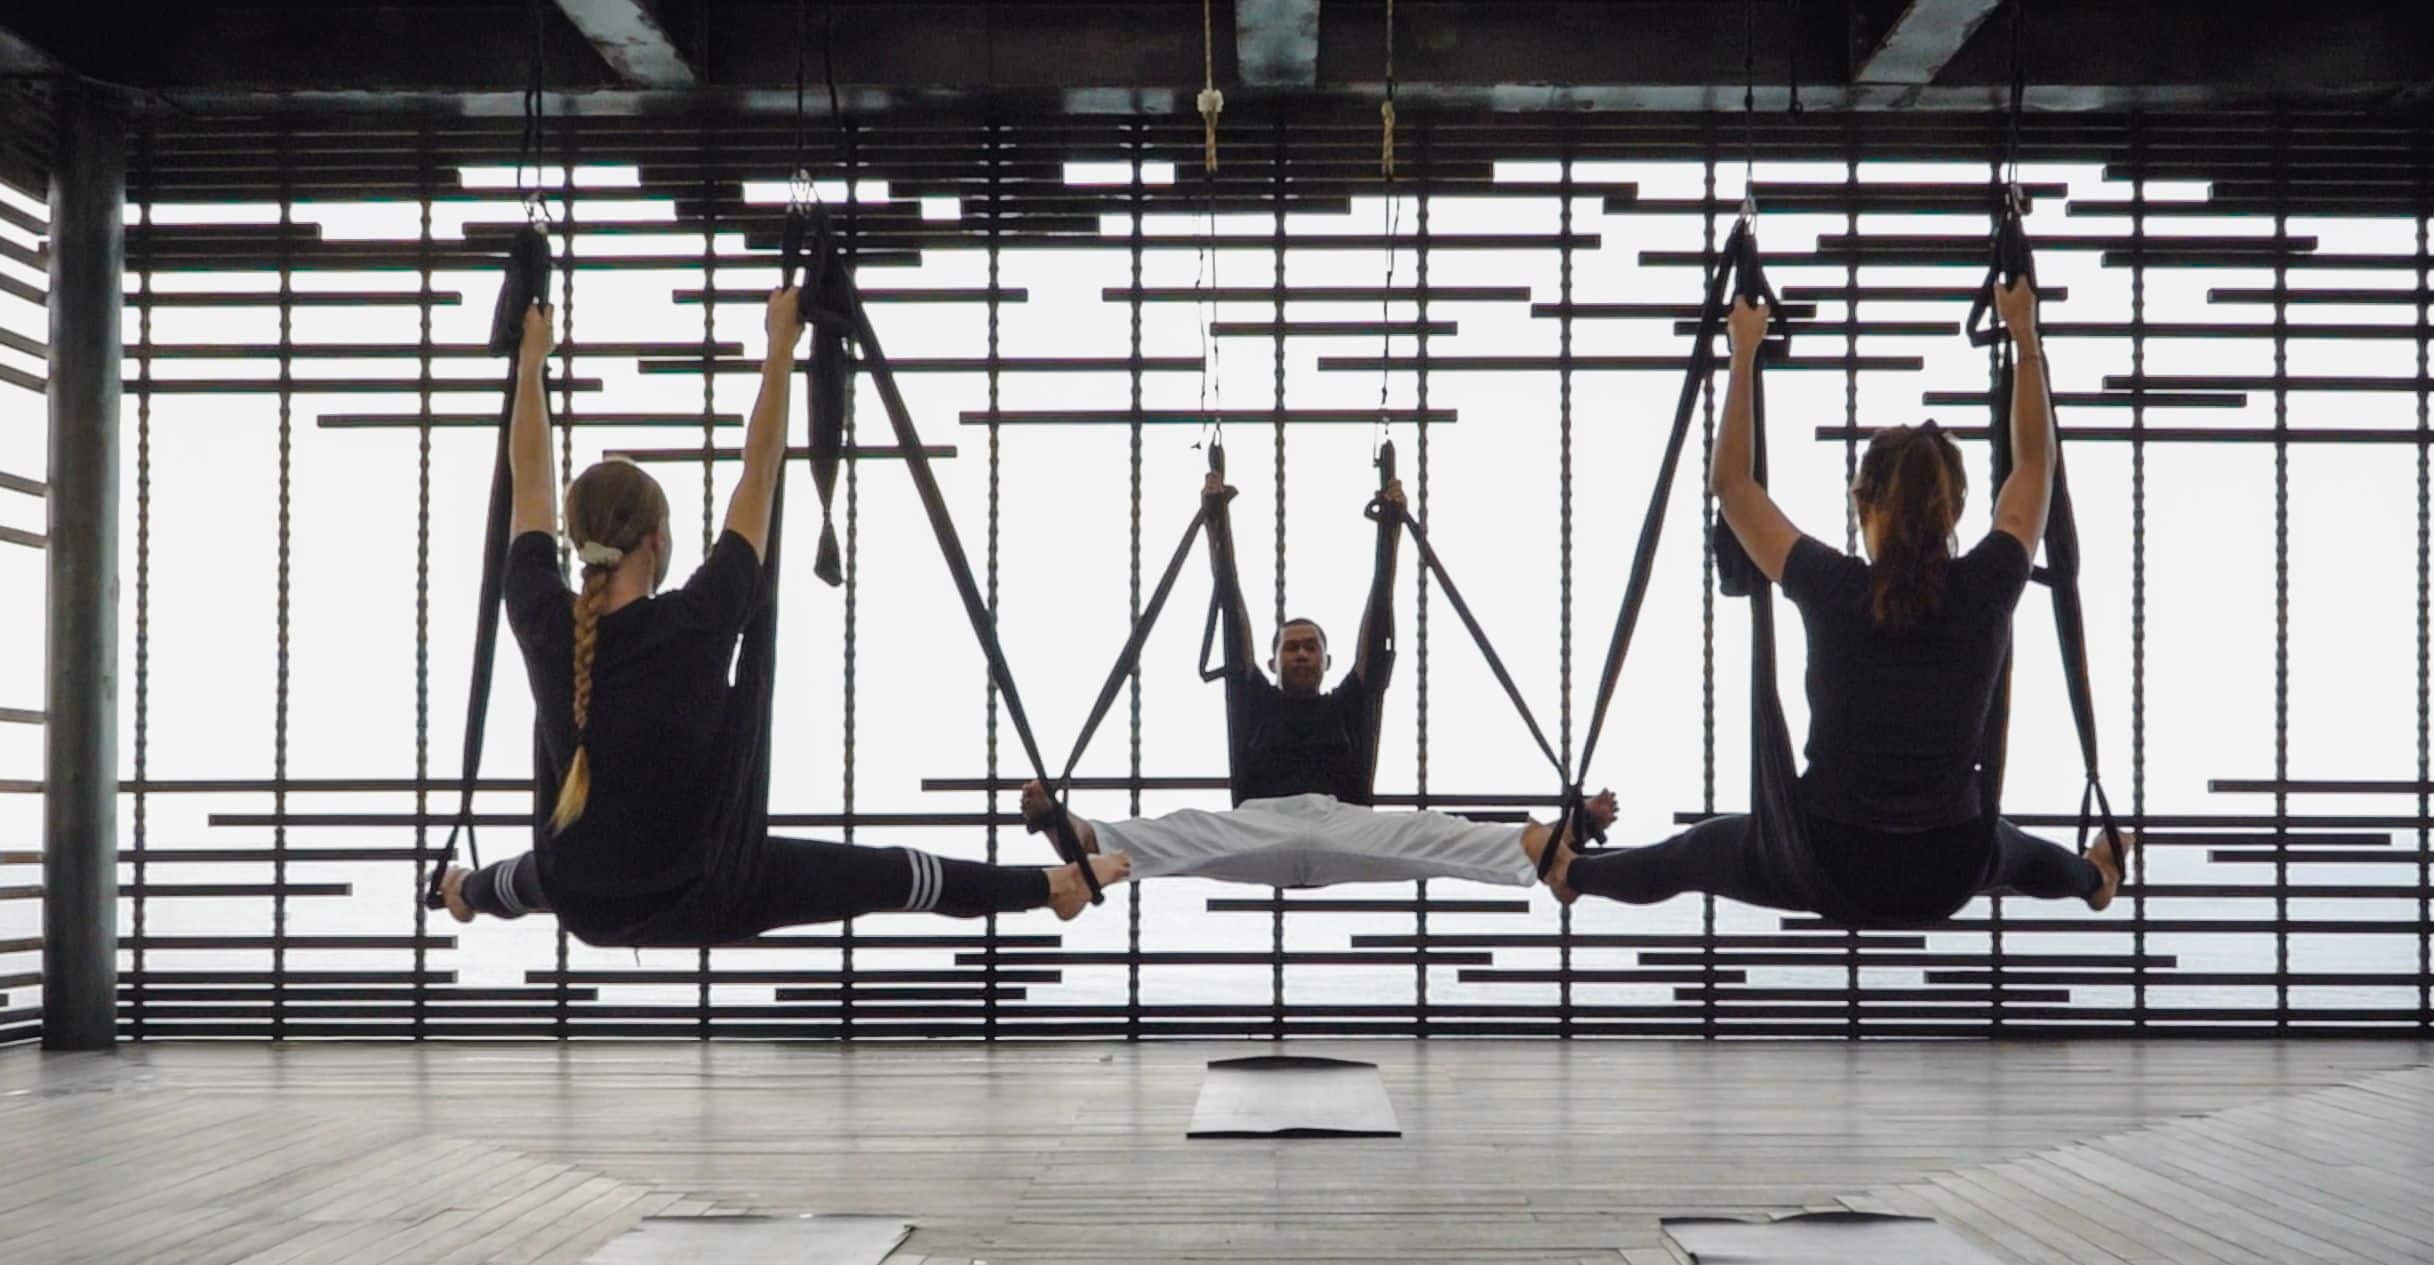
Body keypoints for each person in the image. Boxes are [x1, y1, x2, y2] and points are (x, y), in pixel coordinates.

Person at [439, 287, 1129, 936]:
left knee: (526, 880)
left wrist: (530, 365)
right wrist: (779, 346)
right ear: (657, 539)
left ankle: (462, 893)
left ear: (575, 537)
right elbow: (759, 473)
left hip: (581, 898)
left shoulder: (541, 617)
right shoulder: (700, 620)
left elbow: (527, 477)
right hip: (709, 889)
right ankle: (1052, 886)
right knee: (886, 875)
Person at [1554, 276, 2132, 921]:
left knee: (1699, 850)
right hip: (1948, 865)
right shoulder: (1990, 581)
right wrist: (2024, 333)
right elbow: (2034, 469)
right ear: (1959, 506)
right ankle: (2096, 880)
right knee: (2017, 854)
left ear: (1863, 501)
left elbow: (1731, 484)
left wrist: (1744, 351)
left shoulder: (1830, 585)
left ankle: (1573, 872)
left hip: (1828, 861)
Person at [1022, 468, 1615, 889]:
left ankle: (1556, 844)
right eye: (1290, 648)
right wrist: (1216, 528)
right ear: (1275, 660)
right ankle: (1076, 841)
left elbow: (1376, 631)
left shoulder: (1349, 704)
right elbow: (1233, 615)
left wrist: (1390, 535)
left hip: (1347, 826)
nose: (1301, 654)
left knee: (1436, 832)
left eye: (1311, 647)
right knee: (1180, 830)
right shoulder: (1252, 697)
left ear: (1327, 662)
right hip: (1258, 827)